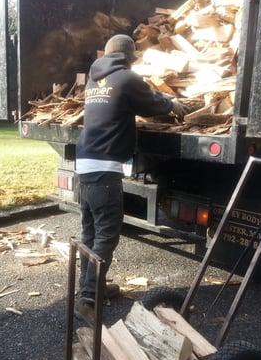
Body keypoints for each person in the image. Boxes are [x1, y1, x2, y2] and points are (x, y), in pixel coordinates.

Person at [74, 34, 188, 325]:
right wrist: (173, 105)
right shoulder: (126, 79)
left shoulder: (94, 80)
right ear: (129, 56)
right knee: (106, 237)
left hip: (84, 167)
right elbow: (152, 103)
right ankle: (88, 299)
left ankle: (90, 288)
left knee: (90, 233)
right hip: (104, 171)